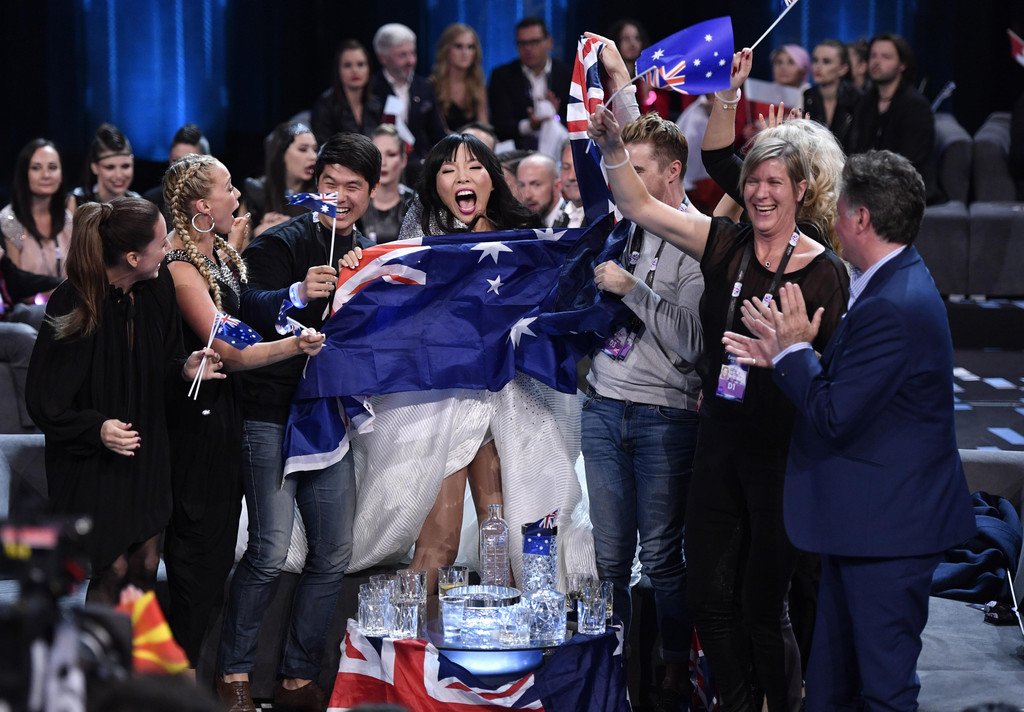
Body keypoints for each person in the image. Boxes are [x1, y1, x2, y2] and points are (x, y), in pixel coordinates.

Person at [586, 32, 850, 712]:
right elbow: (640, 204)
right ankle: (736, 700)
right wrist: (613, 146)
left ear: (801, 191)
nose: (758, 192)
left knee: (763, 603)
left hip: (783, 453)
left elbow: (834, 379)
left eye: (773, 183)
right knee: (706, 593)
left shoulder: (825, 272)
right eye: (751, 181)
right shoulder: (725, 241)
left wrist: (787, 356)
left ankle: (780, 703)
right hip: (718, 439)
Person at [722, 150, 975, 711]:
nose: (831, 219)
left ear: (861, 218)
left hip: (888, 532)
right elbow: (861, 391)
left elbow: (835, 414)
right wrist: (784, 356)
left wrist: (793, 354)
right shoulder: (891, 281)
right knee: (832, 688)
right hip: (862, 525)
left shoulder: (895, 304)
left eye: (838, 209)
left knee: (882, 690)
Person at [218, 132, 377, 712]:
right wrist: (296, 291)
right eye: (330, 184)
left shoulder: (368, 252)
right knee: (267, 551)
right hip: (269, 413)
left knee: (333, 552)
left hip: (326, 416)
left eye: (353, 186)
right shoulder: (280, 241)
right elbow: (244, 305)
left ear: (371, 191)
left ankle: (297, 678)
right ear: (315, 185)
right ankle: (234, 673)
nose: (340, 196)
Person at [160, 154, 326, 674]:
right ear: (200, 206)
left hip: (227, 418)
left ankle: (187, 680)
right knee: (197, 562)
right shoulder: (180, 266)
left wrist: (297, 298)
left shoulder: (222, 255)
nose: (237, 196)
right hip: (194, 427)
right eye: (228, 187)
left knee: (213, 564)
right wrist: (295, 345)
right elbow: (227, 349)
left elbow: (252, 311)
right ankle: (172, 686)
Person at [24, 197, 222, 606]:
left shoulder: (158, 288)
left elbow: (166, 362)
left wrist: (185, 369)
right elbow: (45, 401)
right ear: (133, 257)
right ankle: (98, 649)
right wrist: (97, 428)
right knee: (112, 569)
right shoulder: (73, 301)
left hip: (147, 452)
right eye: (160, 244)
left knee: (145, 563)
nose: (168, 250)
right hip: (91, 461)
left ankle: (135, 648)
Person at [582, 112, 703, 712]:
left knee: (660, 559)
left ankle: (676, 669)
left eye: (638, 168)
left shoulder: (701, 240)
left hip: (665, 417)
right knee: (609, 561)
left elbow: (694, 344)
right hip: (603, 409)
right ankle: (613, 671)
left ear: (673, 171)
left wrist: (634, 289)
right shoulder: (620, 230)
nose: (623, 180)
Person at [702, 48, 846, 252]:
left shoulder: (809, 233)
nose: (762, 193)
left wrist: (729, 93)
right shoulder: (830, 222)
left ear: (804, 184)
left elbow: (718, 158)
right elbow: (718, 160)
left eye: (775, 180)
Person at [846, 33, 937, 202]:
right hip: (868, 184)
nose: (876, 62)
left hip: (907, 188)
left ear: (902, 65)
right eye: (873, 56)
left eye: (886, 57)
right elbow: (855, 148)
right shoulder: (865, 102)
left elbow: (911, 161)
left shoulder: (916, 106)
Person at [369, 23, 447, 186]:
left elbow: (437, 134)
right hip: (381, 167)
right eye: (402, 55)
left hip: (421, 169)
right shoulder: (370, 90)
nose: (411, 61)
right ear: (383, 58)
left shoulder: (425, 87)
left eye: (413, 53)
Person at [488, 17, 572, 152]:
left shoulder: (567, 74)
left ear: (549, 42)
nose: (528, 48)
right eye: (522, 43)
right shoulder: (502, 76)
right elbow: (500, 126)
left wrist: (553, 117)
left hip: (561, 149)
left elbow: (578, 121)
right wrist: (530, 125)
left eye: (534, 42)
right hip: (517, 151)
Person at [1, 139, 73, 284]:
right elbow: (14, 284)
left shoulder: (67, 218)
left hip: (66, 298)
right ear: (24, 174)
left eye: (53, 167)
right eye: (36, 168)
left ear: (61, 175)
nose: (46, 175)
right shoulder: (9, 219)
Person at [240, 120, 317, 241]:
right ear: (281, 153)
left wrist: (290, 228)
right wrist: (259, 234)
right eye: (303, 149)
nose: (313, 156)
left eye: (315, 149)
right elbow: (239, 247)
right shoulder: (257, 191)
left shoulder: (319, 193)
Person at [310, 39, 382, 144]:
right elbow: (323, 147)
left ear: (369, 69)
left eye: (360, 64)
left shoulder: (376, 104)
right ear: (338, 70)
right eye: (348, 65)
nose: (355, 70)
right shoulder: (325, 106)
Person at [142, 123, 211, 225]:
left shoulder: (217, 200)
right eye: (176, 161)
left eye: (189, 162)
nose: (181, 169)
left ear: (207, 164)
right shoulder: (152, 200)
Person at [358, 124, 415, 244]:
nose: (383, 162)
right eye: (377, 155)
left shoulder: (416, 204)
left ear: (403, 160)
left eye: (391, 154)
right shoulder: (356, 202)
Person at [607, 18, 674, 118]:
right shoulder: (605, 80)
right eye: (626, 38)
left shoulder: (651, 79)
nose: (632, 43)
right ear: (616, 41)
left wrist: (646, 97)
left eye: (637, 38)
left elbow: (661, 119)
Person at [431, 23, 490, 132]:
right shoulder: (433, 85)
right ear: (446, 49)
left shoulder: (477, 85)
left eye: (470, 47)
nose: (465, 53)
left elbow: (484, 126)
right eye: (459, 46)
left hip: (473, 141)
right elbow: (438, 130)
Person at [802, 40, 861, 147]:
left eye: (826, 62)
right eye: (815, 60)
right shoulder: (808, 96)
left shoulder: (858, 99)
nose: (818, 66)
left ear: (843, 69)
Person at [70, 123, 140, 208]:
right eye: (110, 167)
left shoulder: (138, 204)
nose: (119, 175)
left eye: (125, 166)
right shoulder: (77, 201)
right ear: (94, 167)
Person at [516, 152, 562, 226]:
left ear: (557, 186)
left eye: (536, 185)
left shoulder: (575, 221)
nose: (527, 195)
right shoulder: (521, 224)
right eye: (522, 185)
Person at [554, 138, 584, 228]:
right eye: (566, 167)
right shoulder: (559, 218)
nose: (571, 177)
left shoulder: (609, 219)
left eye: (579, 167)